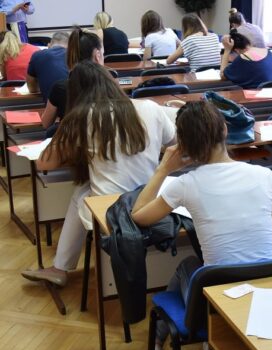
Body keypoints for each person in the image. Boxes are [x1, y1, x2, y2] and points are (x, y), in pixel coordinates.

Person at [130, 100, 272, 350]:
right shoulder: (266, 176)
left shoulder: (186, 184)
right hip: (263, 299)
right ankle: (209, 344)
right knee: (207, 267)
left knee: (187, 265)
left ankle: (156, 345)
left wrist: (163, 169)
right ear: (224, 130)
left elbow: (139, 216)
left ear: (184, 146)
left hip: (217, 304)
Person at [21, 61, 175, 287]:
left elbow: (45, 162)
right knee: (82, 191)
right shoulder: (150, 107)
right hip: (148, 198)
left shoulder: (83, 117)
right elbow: (174, 143)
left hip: (112, 209)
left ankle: (60, 267)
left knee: (81, 193)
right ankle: (59, 267)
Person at [42, 28, 104, 128]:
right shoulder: (110, 86)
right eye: (103, 54)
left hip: (70, 136)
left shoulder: (60, 88)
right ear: (97, 56)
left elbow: (46, 123)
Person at [26, 31, 69, 101]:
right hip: (78, 104)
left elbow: (32, 89)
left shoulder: (37, 55)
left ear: (49, 45)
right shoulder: (75, 56)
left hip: (52, 104)